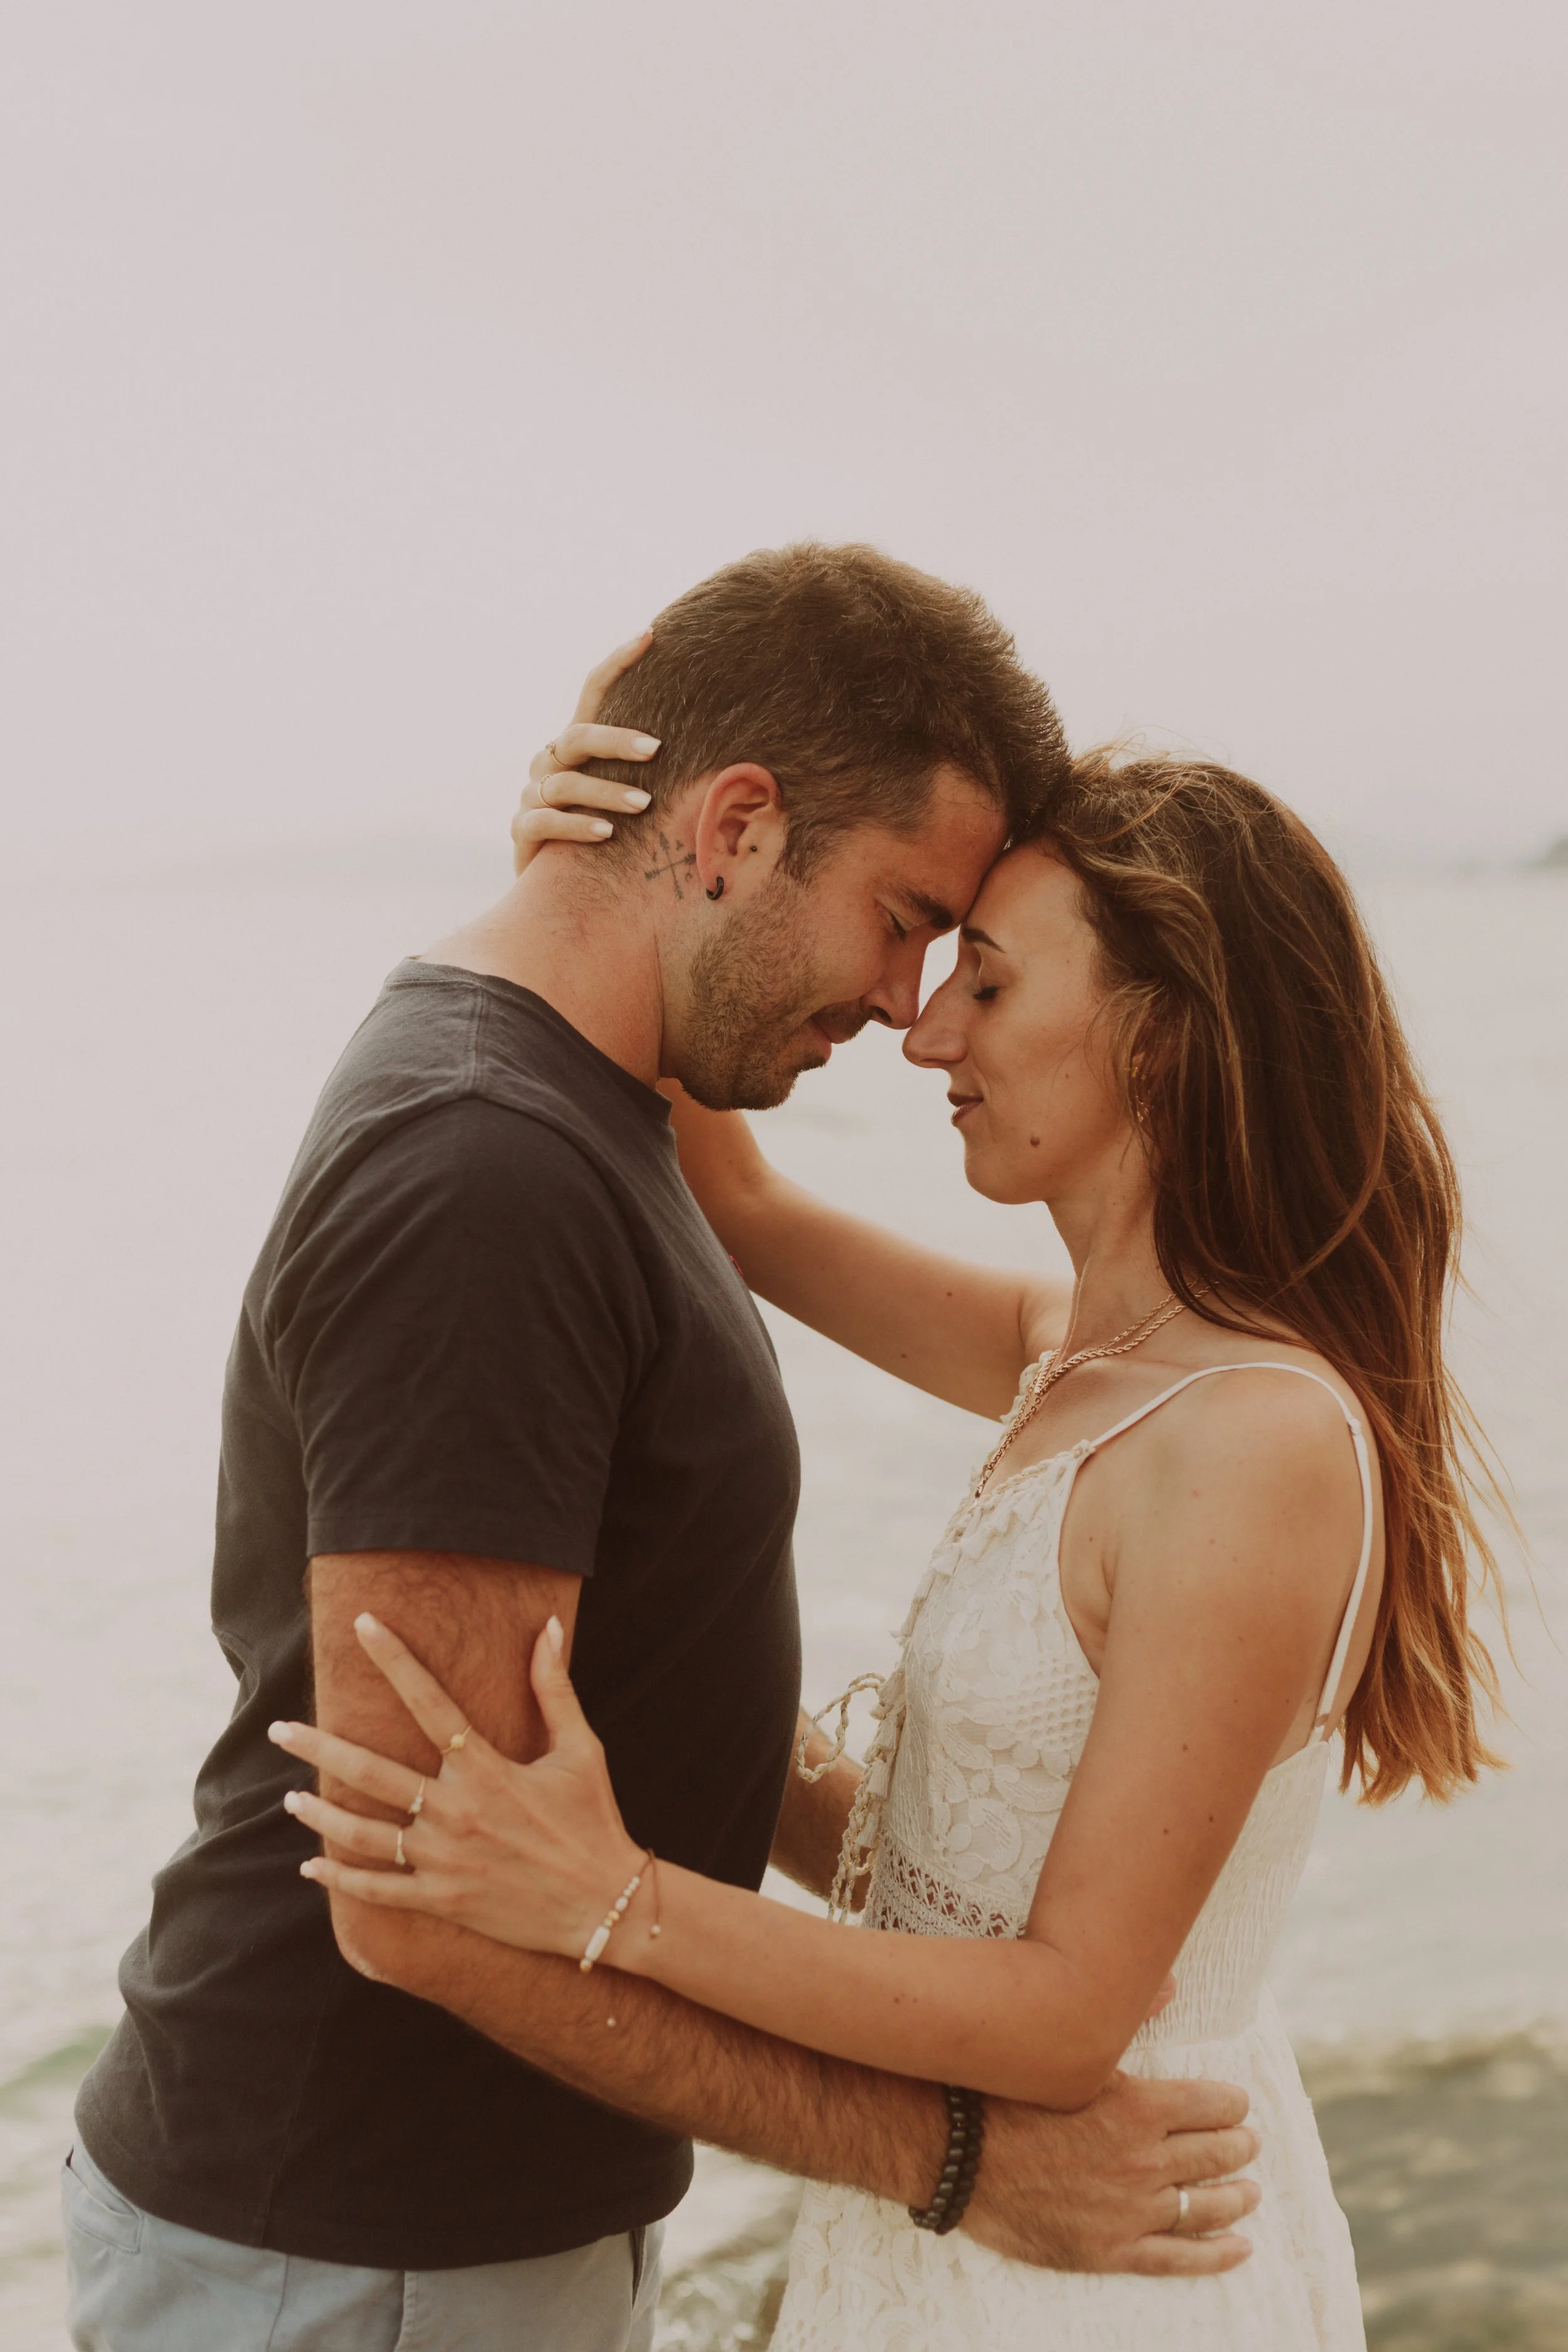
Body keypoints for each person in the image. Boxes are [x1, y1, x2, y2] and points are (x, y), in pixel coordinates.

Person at [65, 546, 1259, 2352]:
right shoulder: (485, 1171)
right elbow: (419, 1907)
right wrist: (946, 2162)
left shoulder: (599, 1105)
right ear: (734, 827)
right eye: (901, 914)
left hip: (447, 2229)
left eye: (965, 960)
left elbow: (630, 1659)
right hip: (353, 2238)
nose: (903, 1002)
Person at [273, 704, 1503, 2350]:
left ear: (1161, 1031)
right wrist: (594, 868)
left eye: (986, 979)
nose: (928, 1037)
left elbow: (1067, 2012)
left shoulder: (1251, 1440)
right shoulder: (1074, 1350)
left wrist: (611, 1892)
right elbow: (742, 1200)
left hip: (1100, 2221)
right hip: (969, 2197)